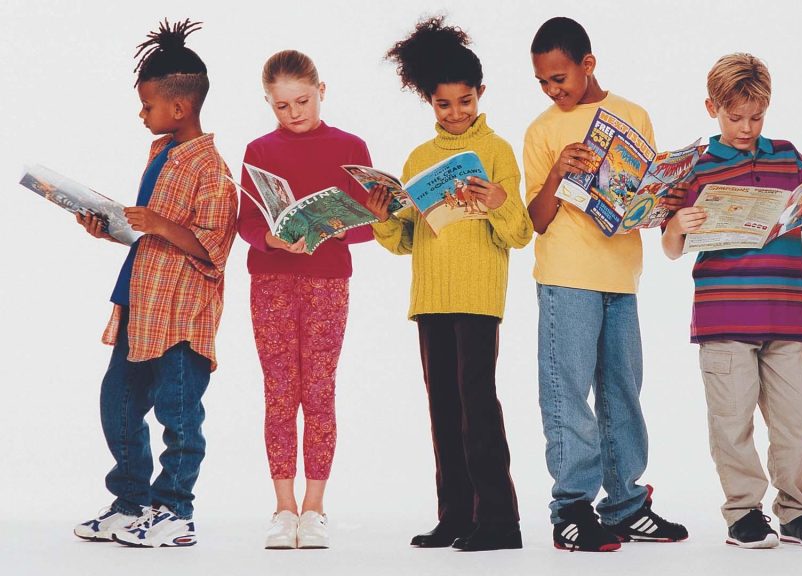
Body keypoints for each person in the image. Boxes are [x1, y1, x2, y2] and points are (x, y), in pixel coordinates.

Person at [662, 53, 802, 549]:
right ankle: (744, 512)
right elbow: (671, 248)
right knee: (731, 421)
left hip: (786, 316)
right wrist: (678, 223)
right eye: (734, 116)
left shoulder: (788, 156)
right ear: (712, 108)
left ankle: (795, 510)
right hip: (722, 318)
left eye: (756, 116)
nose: (746, 127)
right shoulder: (695, 167)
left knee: (797, 423)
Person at [366, 16, 532, 552]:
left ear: (481, 94)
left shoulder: (498, 152)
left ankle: (500, 522)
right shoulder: (418, 158)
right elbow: (404, 242)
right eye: (443, 104)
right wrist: (383, 214)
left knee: (477, 404)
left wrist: (497, 201)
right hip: (431, 298)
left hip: (479, 297)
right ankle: (456, 516)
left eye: (465, 101)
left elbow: (520, 233)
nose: (455, 113)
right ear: (429, 103)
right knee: (443, 410)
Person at [524, 16, 688, 552]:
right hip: (566, 276)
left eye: (560, 78)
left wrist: (661, 200)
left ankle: (624, 504)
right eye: (544, 82)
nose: (553, 90)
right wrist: (557, 176)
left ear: (587, 65)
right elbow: (538, 220)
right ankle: (571, 507)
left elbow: (649, 197)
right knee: (567, 390)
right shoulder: (542, 130)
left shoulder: (633, 115)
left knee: (622, 390)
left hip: (621, 275)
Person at [72, 18, 237, 548]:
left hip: (183, 316)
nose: (142, 115)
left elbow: (212, 246)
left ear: (179, 107)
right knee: (116, 401)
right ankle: (131, 503)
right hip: (140, 303)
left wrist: (161, 224)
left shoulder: (212, 169)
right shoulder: (159, 153)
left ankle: (176, 511)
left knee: (179, 414)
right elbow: (154, 239)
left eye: (147, 106)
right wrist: (112, 230)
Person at [236, 49, 374, 549]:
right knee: (279, 392)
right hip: (271, 280)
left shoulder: (351, 145)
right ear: (268, 104)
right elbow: (246, 222)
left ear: (322, 91)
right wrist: (271, 239)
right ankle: (283, 507)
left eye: (303, 101)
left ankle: (314, 509)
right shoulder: (258, 149)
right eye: (281, 106)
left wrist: (335, 227)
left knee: (318, 390)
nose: (294, 113)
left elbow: (370, 226)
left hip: (327, 281)